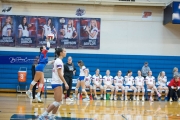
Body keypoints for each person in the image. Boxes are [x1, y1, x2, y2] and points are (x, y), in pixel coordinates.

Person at [39, 48, 69, 119]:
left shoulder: (58, 61)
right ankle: (43, 115)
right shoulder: (59, 61)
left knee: (58, 101)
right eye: (64, 51)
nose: (66, 52)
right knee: (57, 102)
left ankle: (52, 116)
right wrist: (65, 83)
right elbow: (59, 74)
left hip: (57, 82)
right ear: (61, 53)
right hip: (57, 82)